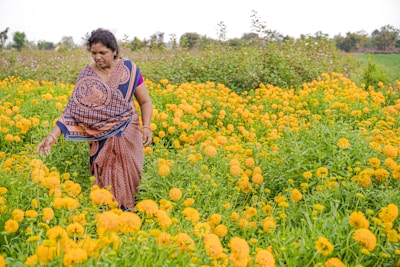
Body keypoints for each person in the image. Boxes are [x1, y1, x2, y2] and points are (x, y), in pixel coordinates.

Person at [36, 28, 153, 211]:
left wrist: (147, 127)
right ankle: (106, 221)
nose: (98, 58)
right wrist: (53, 135)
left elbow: (145, 101)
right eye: (94, 53)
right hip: (101, 139)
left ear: (114, 51)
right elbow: (73, 109)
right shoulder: (87, 75)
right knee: (105, 187)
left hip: (130, 134)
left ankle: (130, 220)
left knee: (131, 180)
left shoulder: (130, 70)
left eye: (102, 53)